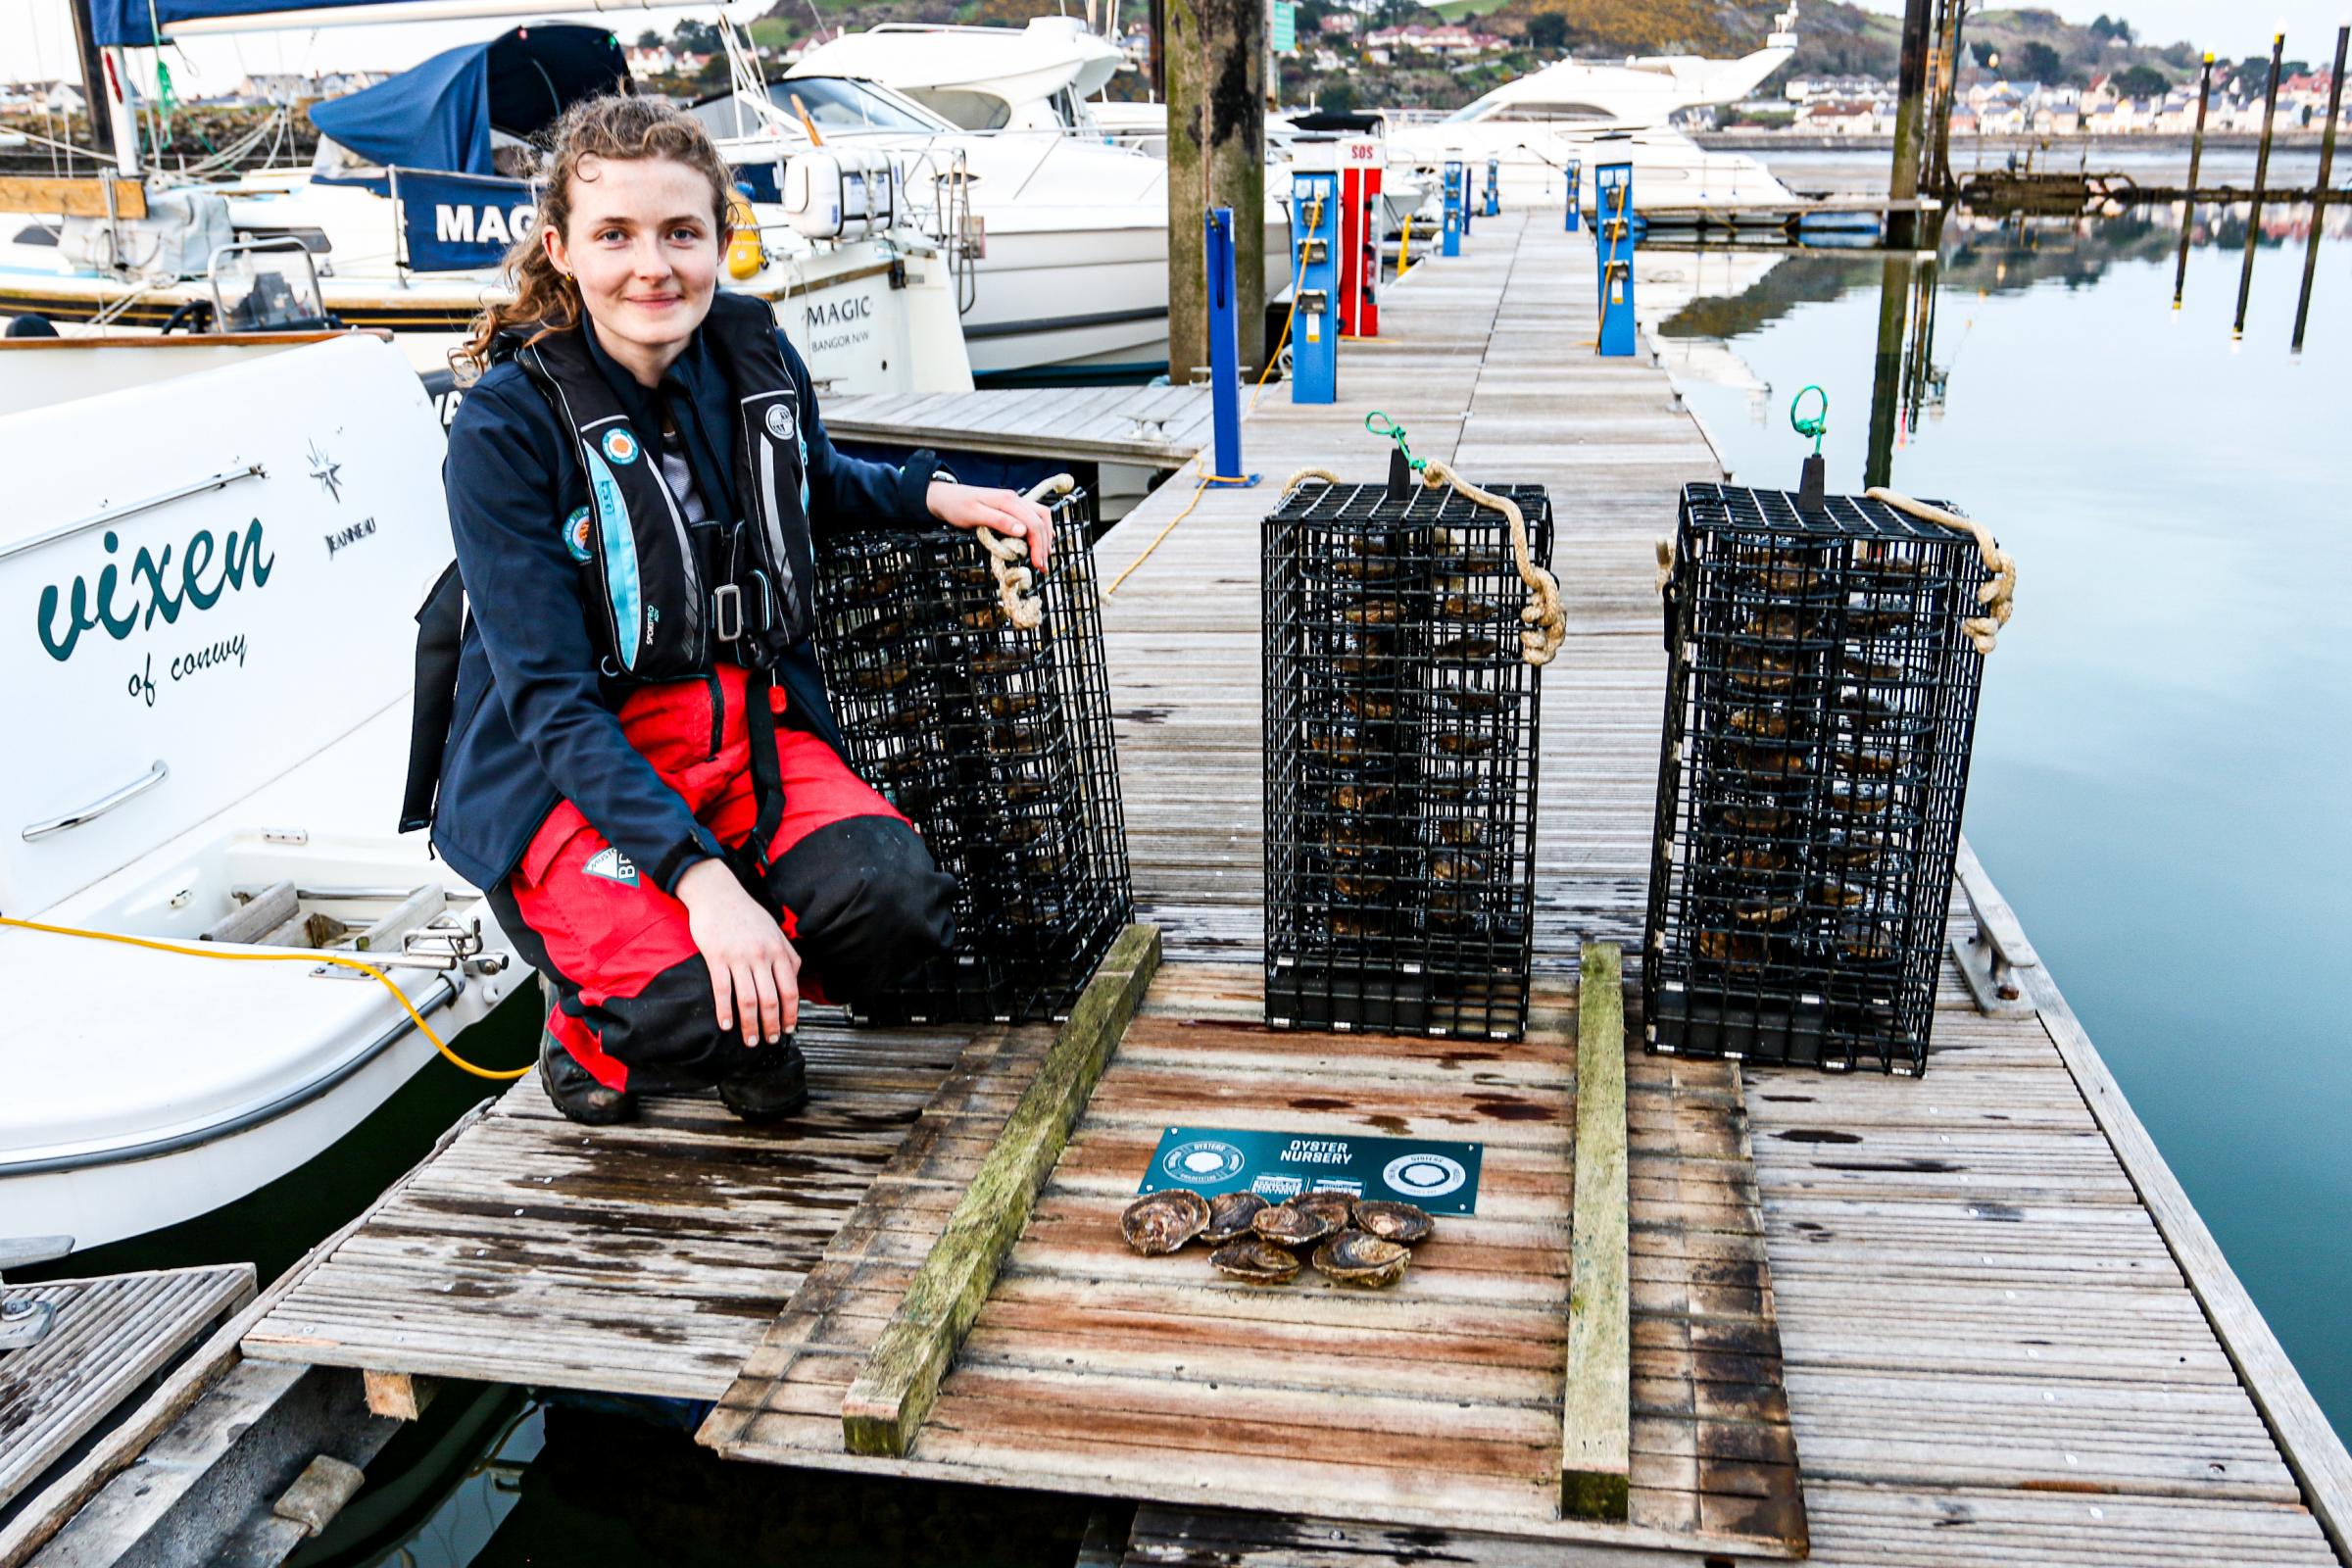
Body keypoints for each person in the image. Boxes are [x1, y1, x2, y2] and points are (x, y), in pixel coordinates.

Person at [401, 95, 1054, 1127]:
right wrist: (705, 887)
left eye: (681, 233)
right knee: (683, 1006)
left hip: (742, 730)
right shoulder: (503, 427)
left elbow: (812, 480)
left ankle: (757, 1006)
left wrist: (929, 491)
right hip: (572, 767)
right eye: (614, 235)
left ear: (720, 241)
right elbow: (551, 707)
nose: (651, 266)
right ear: (561, 249)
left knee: (898, 908)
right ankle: (594, 1030)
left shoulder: (753, 356)